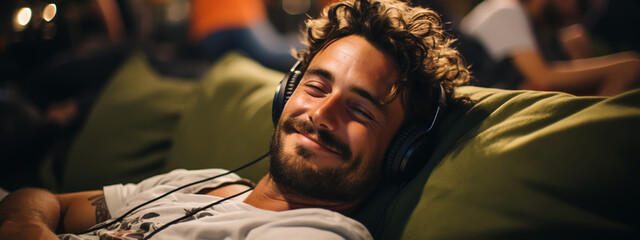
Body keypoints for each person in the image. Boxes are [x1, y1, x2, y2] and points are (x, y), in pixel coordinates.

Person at [0, 0, 469, 239]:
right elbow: (45, 202)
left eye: (361, 109)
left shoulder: (313, 234)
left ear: (402, 153)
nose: (322, 115)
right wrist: (25, 224)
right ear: (285, 93)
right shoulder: (200, 182)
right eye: (316, 87)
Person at [460, 0, 640, 96]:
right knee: (630, 67)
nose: (576, 9)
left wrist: (578, 54)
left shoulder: (541, 33)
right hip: (479, 99)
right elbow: (543, 78)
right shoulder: (506, 10)